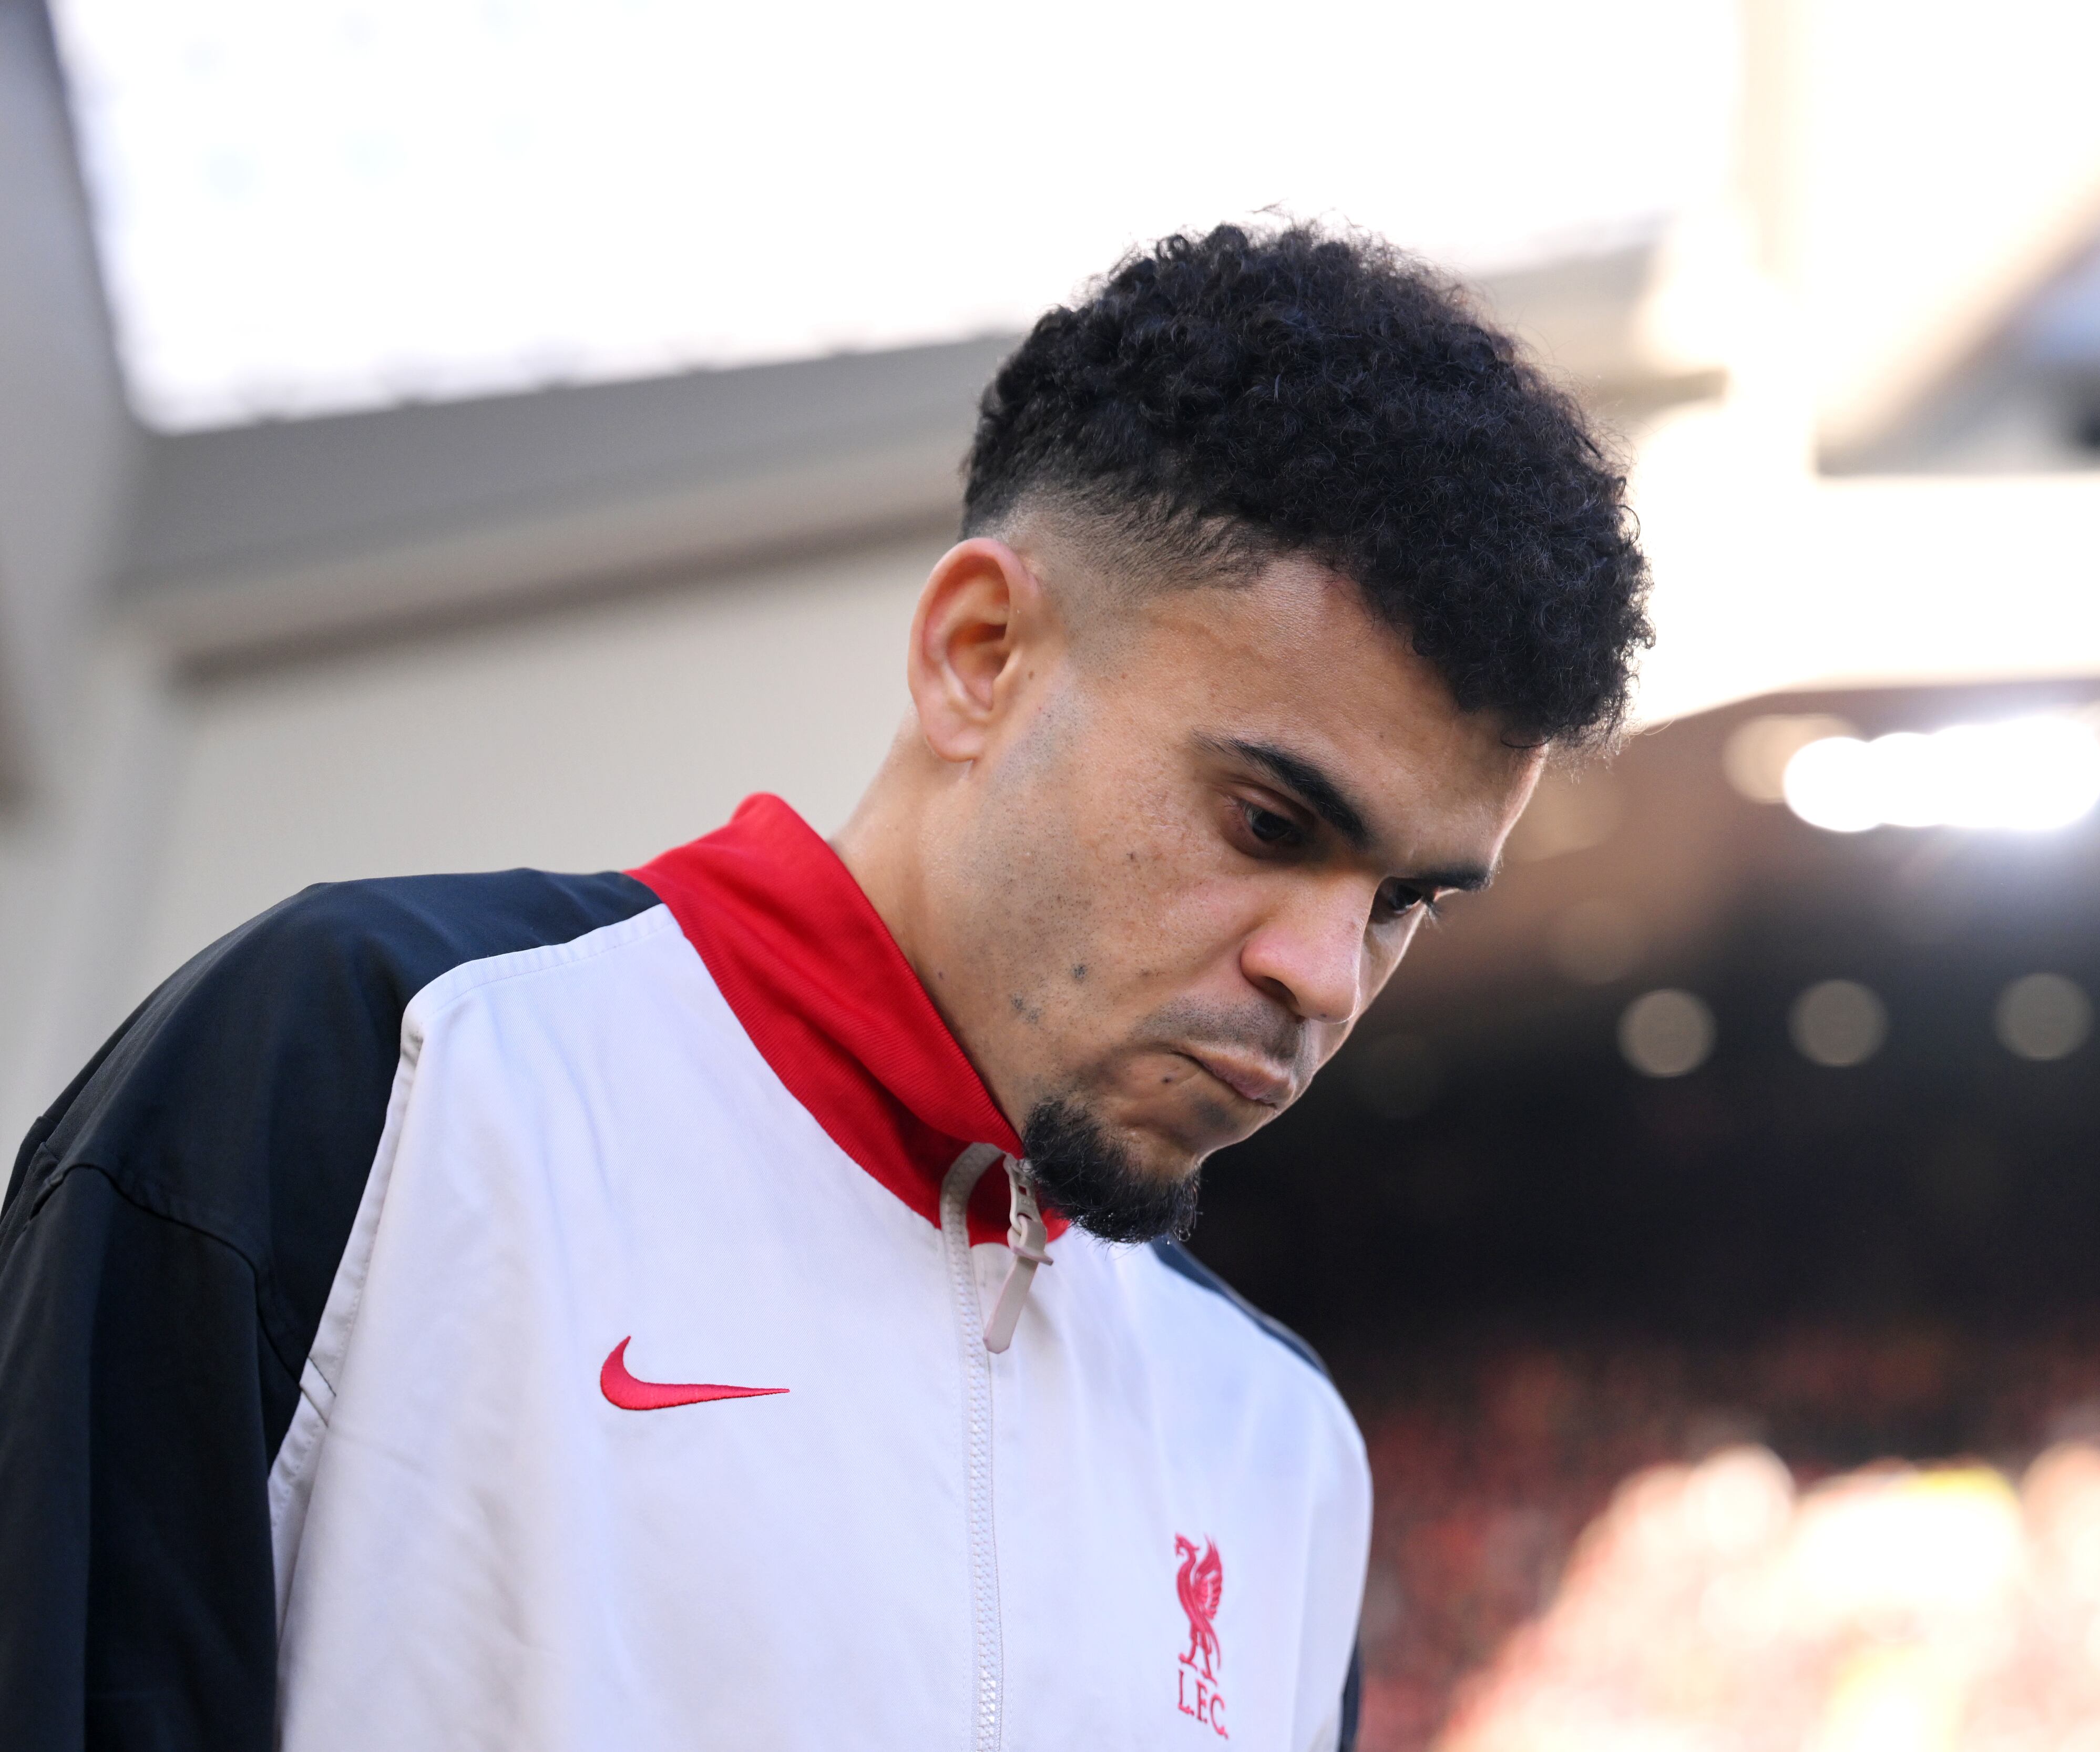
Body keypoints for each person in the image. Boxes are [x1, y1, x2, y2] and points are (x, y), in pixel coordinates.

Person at [0, 222, 1651, 1751]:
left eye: (1405, 902)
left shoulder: (1284, 1457)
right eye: (1270, 821)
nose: (1324, 976)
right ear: (980, 656)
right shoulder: (385, 1075)